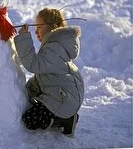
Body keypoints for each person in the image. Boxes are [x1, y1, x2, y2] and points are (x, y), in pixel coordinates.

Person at [13, 8, 84, 136]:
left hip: (63, 100)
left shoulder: (54, 48)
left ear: (53, 27)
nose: (36, 31)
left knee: (30, 120)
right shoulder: (55, 46)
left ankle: (65, 119)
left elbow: (34, 65)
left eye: (39, 27)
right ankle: (67, 114)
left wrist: (23, 38)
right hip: (64, 97)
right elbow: (47, 74)